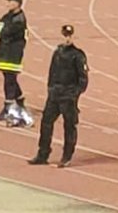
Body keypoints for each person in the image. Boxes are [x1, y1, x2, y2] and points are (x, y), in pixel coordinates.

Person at [29, 24, 89, 168]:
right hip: (55, 94)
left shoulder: (78, 55)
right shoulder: (57, 52)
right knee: (46, 123)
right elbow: (52, 72)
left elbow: (83, 79)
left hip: (68, 96)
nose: (67, 39)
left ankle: (66, 156)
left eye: (69, 36)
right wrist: (50, 89)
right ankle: (43, 154)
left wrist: (74, 95)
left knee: (69, 126)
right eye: (65, 36)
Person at [0, 0, 35, 127]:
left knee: (9, 81)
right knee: (10, 79)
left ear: (17, 3)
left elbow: (5, 32)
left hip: (12, 55)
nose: (7, 3)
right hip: (5, 53)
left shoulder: (19, 20)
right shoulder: (9, 16)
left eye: (10, 1)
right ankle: (20, 101)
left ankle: (9, 108)